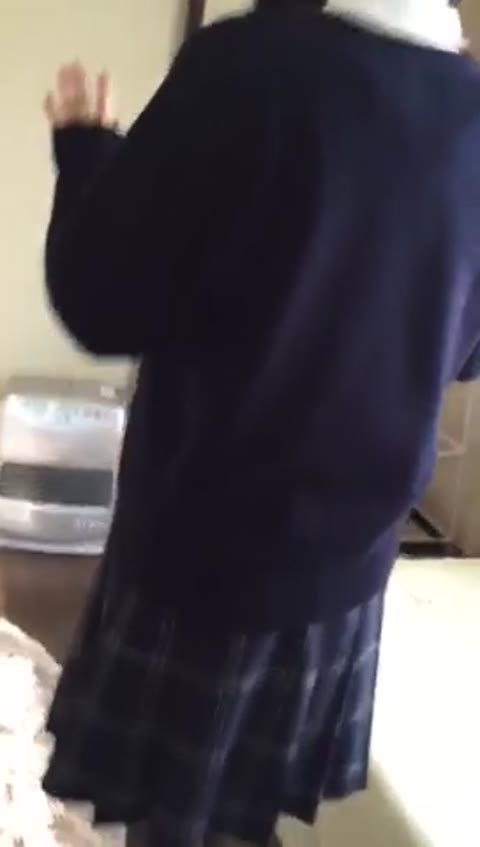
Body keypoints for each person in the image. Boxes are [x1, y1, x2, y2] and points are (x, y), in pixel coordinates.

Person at [42, 1, 479, 846]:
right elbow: (467, 353)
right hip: (348, 565)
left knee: (171, 819)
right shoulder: (471, 114)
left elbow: (100, 299)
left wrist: (87, 151)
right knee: (239, 817)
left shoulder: (244, 67)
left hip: (205, 546)